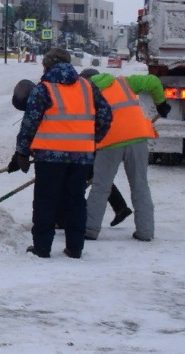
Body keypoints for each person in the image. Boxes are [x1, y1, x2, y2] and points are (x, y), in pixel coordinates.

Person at [7, 47, 112, 259]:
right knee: (75, 201)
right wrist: (92, 141)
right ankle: (75, 248)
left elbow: (30, 123)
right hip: (81, 157)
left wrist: (22, 153)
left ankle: (42, 247)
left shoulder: (44, 89)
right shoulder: (88, 87)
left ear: (47, 65)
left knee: (46, 200)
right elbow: (106, 116)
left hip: (49, 157)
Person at [79, 68, 167, 242]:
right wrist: (161, 103)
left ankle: (89, 230)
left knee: (100, 187)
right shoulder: (123, 82)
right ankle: (146, 232)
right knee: (140, 185)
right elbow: (153, 81)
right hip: (138, 139)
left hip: (109, 142)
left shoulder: (86, 92)